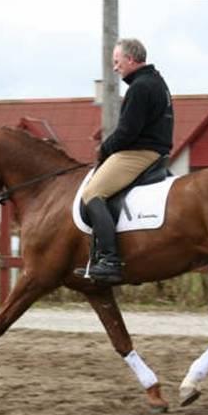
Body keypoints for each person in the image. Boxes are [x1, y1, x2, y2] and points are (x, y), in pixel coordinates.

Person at [76, 38, 174, 284]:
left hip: (139, 152)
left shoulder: (140, 87)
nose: (115, 67)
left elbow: (127, 132)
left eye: (117, 62)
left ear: (131, 59)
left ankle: (109, 260)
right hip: (154, 151)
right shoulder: (156, 82)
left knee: (92, 194)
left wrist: (104, 148)